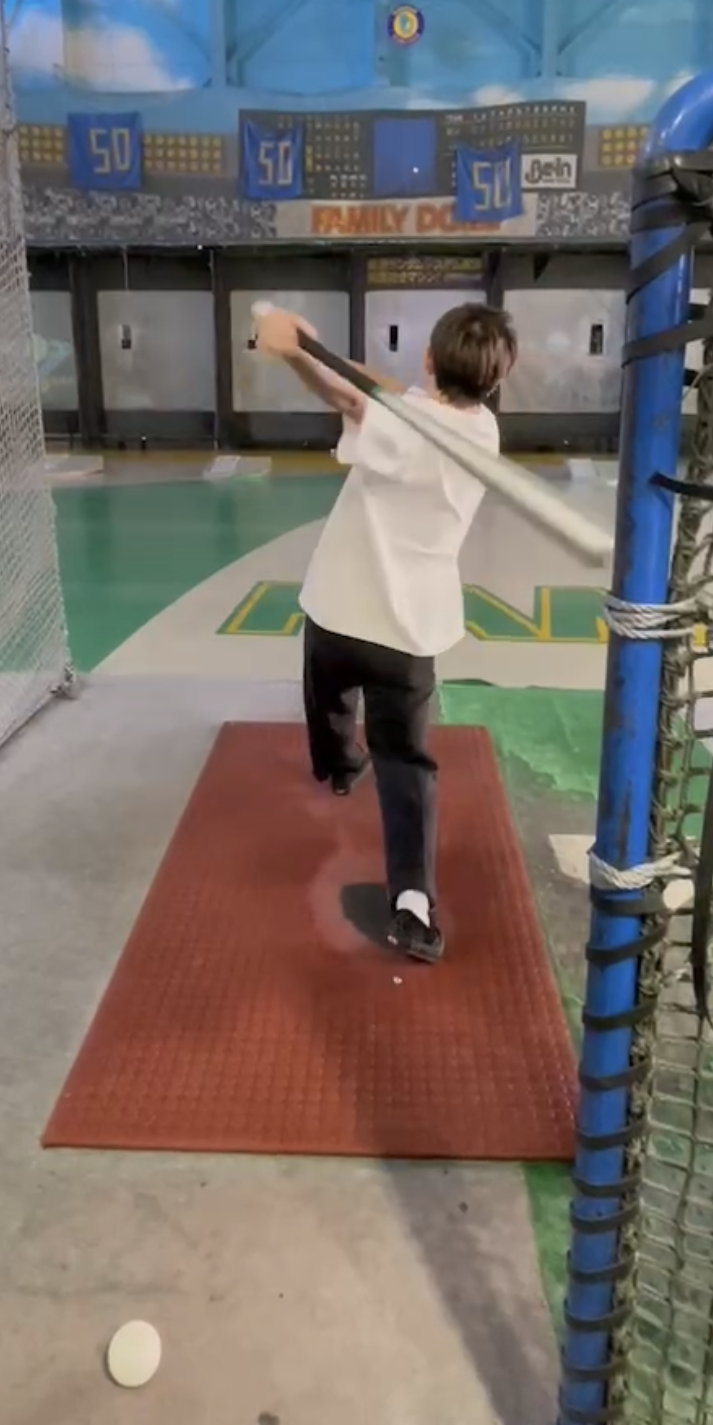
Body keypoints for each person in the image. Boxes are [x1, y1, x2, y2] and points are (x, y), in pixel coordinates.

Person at [252, 300, 517, 964]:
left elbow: (347, 395)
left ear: (429, 360)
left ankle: (340, 767)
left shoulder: (397, 421)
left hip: (339, 611)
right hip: (410, 634)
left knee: (328, 701)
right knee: (406, 764)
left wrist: (293, 353)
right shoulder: (482, 430)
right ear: (493, 380)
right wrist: (313, 347)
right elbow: (379, 393)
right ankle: (414, 904)